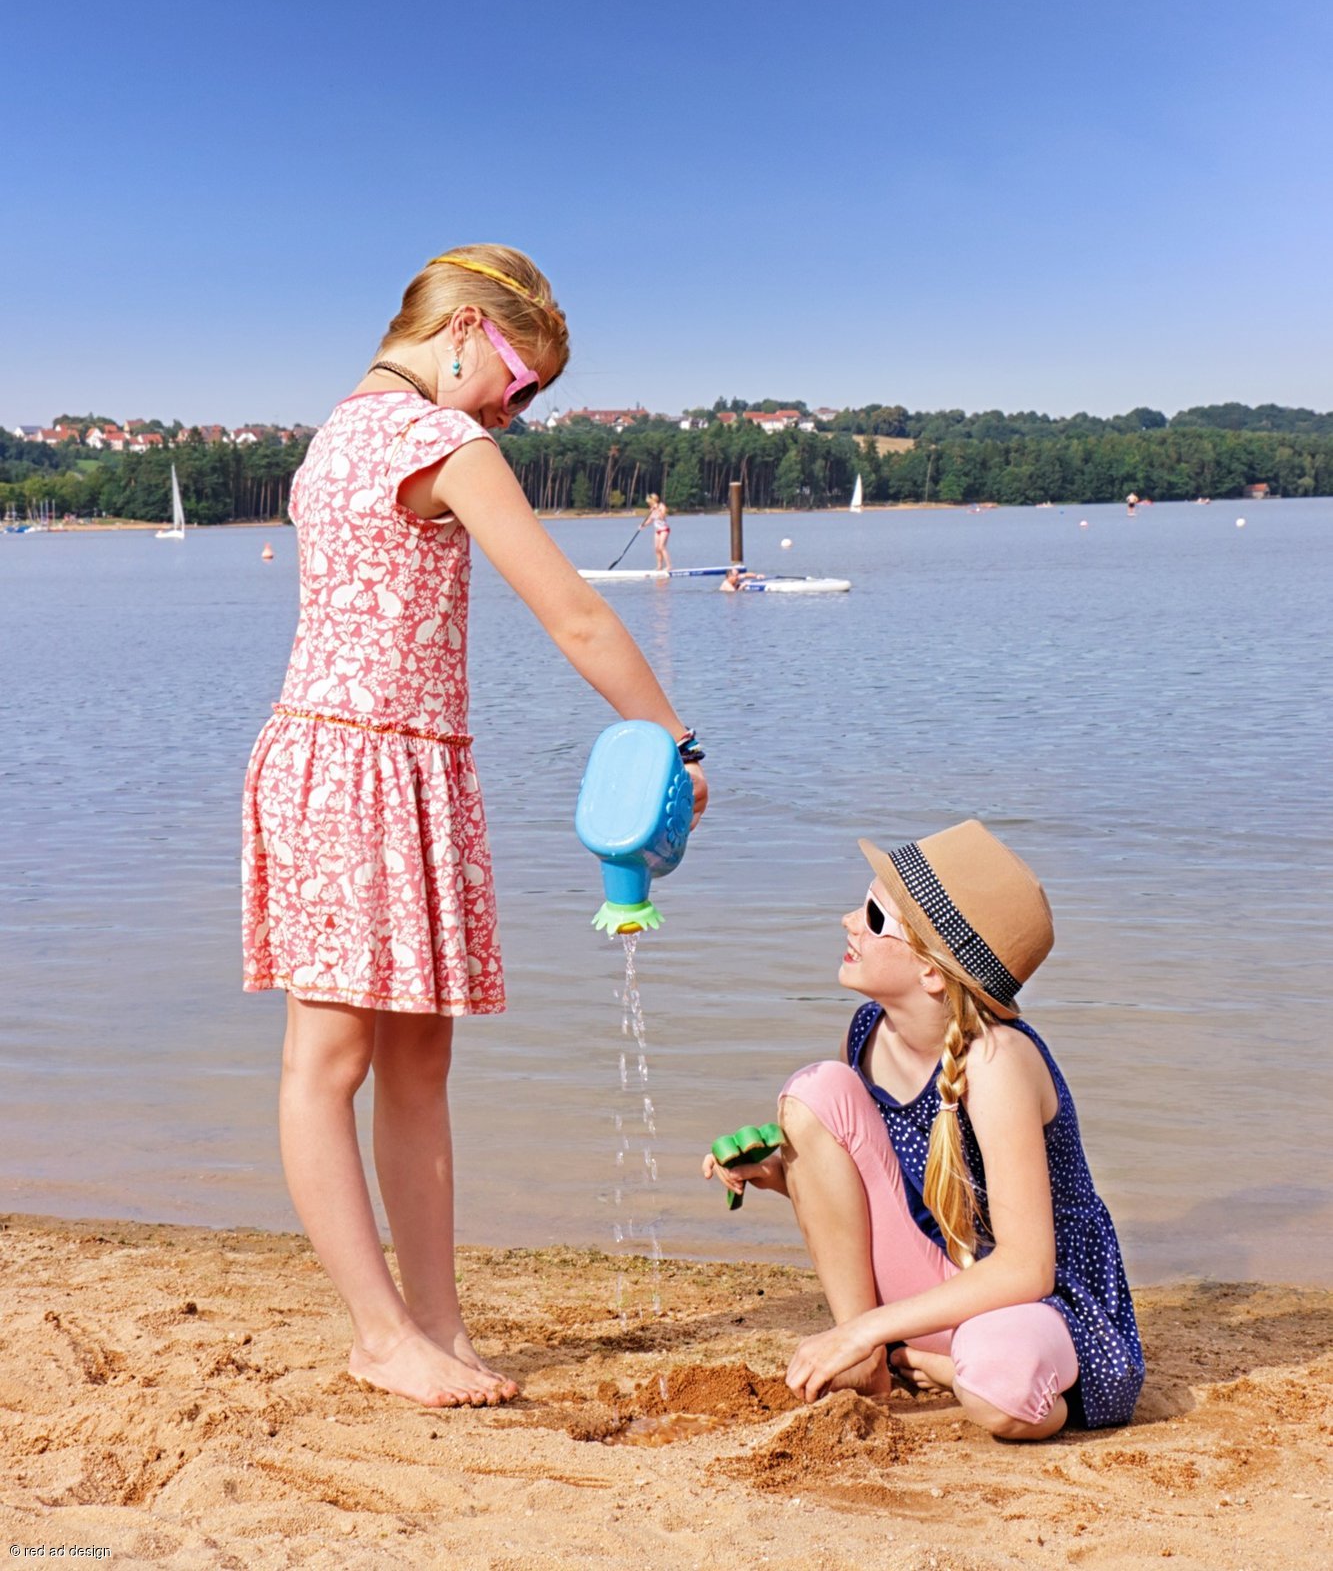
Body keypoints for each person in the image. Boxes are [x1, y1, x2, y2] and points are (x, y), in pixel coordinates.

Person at [242, 244, 708, 1412]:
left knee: (413, 1060)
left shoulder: (335, 431)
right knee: (333, 1061)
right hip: (363, 765)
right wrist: (675, 742)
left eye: (533, 393)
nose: (519, 406)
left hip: (367, 761)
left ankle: (433, 1324)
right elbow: (575, 613)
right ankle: (380, 1332)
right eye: (518, 377)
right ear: (459, 329)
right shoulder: (441, 440)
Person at [702, 821, 1143, 1439]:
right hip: (948, 1284)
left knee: (1000, 1389)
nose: (848, 921)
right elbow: (887, 1194)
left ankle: (932, 1361)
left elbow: (1026, 1269)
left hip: (1042, 1310)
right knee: (813, 1093)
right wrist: (780, 1173)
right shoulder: (868, 1033)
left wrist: (863, 1327)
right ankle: (871, 1367)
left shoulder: (996, 1063)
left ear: (934, 973)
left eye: (875, 917)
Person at [641, 492, 671, 572]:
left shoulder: (661, 506)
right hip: (657, 531)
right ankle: (659, 566)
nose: (648, 504)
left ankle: (669, 566)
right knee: (657, 549)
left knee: (662, 547)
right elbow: (650, 520)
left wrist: (657, 509)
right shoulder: (651, 508)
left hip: (664, 529)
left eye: (649, 502)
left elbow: (662, 517)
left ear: (653, 500)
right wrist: (643, 525)